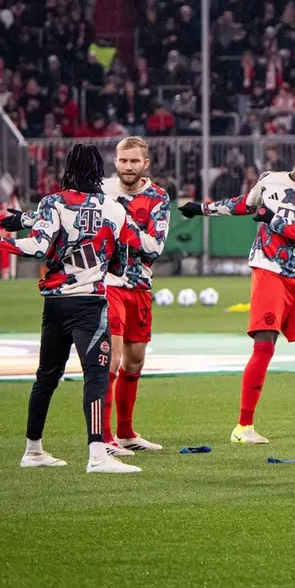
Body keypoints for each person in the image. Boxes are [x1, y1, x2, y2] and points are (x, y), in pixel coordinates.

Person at [0, 143, 145, 473]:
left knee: (46, 377)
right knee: (96, 375)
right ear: (100, 170)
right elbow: (120, 266)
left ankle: (33, 450)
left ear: (67, 168)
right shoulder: (114, 209)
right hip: (90, 304)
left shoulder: (52, 202)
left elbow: (38, 246)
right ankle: (98, 456)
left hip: (54, 304)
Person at [179, 139, 295, 444]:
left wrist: (274, 220)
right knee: (265, 344)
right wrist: (201, 209)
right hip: (268, 269)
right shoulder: (269, 181)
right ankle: (243, 427)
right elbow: (244, 204)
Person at [101, 136, 171, 453]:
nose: (128, 166)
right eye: (123, 160)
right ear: (115, 162)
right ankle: (104, 438)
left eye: (134, 161)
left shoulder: (157, 197)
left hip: (140, 285)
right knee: (111, 358)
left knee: (135, 360)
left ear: (145, 164)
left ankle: (126, 433)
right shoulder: (100, 192)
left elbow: (154, 247)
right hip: (106, 284)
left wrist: (119, 222)